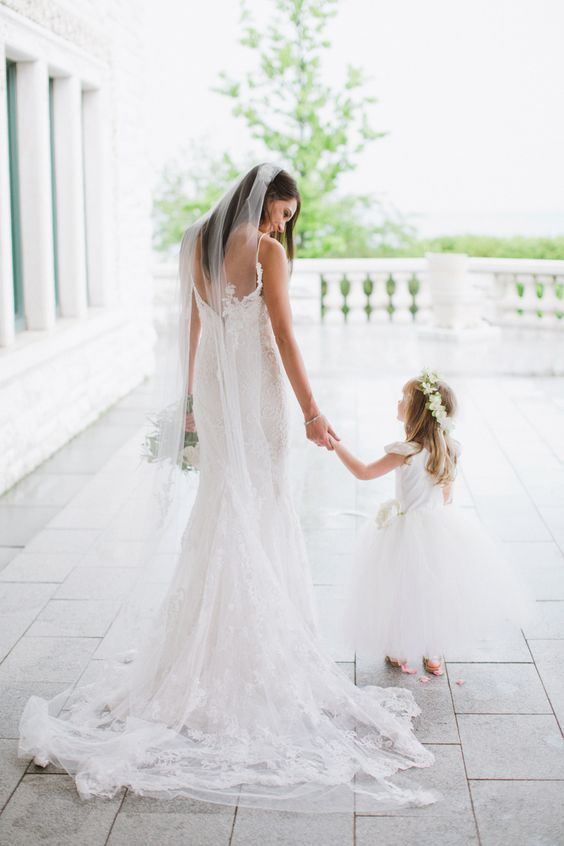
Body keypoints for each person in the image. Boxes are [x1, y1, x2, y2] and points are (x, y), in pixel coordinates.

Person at [18, 164, 438, 813]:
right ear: (264, 200)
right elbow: (285, 338)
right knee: (262, 504)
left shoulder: (195, 240)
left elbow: (191, 323)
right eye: (282, 214)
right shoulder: (266, 253)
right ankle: (250, 648)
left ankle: (205, 644)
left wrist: (189, 397)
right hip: (259, 391)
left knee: (222, 505)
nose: (281, 226)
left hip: (215, 388)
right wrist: (312, 413)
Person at [329, 369, 534, 676]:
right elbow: (447, 495)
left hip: (405, 530)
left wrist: (336, 444)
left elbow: (363, 472)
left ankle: (398, 649)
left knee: (400, 590)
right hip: (440, 528)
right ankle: (433, 653)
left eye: (404, 398)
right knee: (434, 590)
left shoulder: (405, 452)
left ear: (417, 411)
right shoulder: (449, 448)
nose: (399, 401)